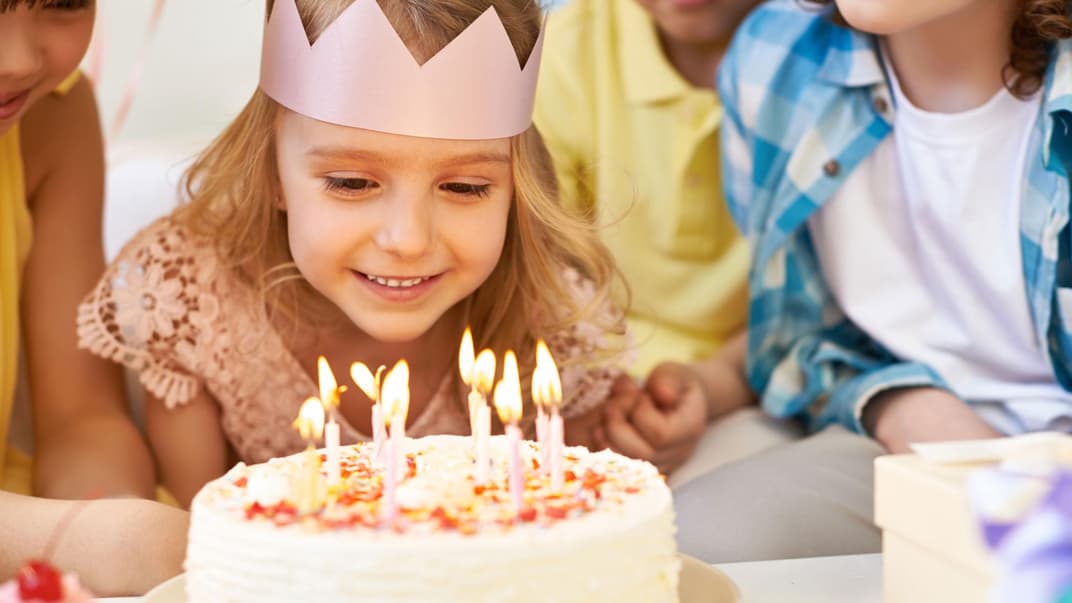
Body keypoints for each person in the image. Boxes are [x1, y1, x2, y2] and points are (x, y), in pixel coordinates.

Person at [79, 0, 629, 509]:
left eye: (464, 187)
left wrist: (637, 431)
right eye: (351, 183)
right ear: (271, 172)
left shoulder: (550, 319)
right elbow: (201, 530)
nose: (408, 240)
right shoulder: (195, 302)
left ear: (515, 187)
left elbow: (572, 512)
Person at [674, 0, 1072, 562]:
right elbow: (796, 334)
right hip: (902, 447)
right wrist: (895, 402)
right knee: (689, 543)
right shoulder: (775, 60)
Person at [533, 0, 799, 479]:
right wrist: (598, 396)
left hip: (767, 389)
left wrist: (712, 384)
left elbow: (825, 312)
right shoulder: (564, 52)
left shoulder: (821, 64)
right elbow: (540, 276)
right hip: (585, 385)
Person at [0, 0, 186, 593]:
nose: (18, 59)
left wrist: (113, 506)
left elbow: (79, 417)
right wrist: (98, 538)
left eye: (62, 3)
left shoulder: (51, 118)